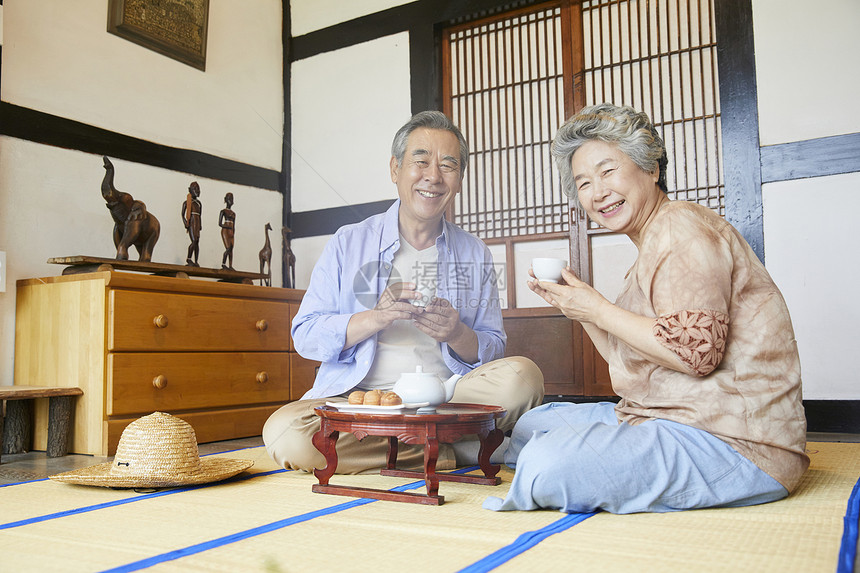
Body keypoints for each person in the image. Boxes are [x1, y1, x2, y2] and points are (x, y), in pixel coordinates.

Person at [483, 103, 809, 514]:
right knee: (534, 424)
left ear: (651, 168)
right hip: (664, 417)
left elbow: (695, 355)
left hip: (734, 441)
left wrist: (598, 308)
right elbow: (635, 359)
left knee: (547, 463)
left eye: (607, 171)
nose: (597, 192)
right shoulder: (651, 244)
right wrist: (582, 312)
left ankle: (472, 451)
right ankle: (473, 446)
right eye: (583, 183)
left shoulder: (680, 227)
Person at [263, 111, 544, 474]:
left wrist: (457, 333)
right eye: (421, 161)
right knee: (285, 434)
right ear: (395, 169)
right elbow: (305, 336)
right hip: (360, 402)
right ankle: (455, 452)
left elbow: (493, 346)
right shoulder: (348, 242)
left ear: (459, 180)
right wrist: (374, 318)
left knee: (524, 377)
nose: (434, 176)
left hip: (445, 399)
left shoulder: (474, 252)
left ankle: (420, 446)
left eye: (448, 165)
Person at [182, 181, 202, 266]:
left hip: (197, 222)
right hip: (192, 222)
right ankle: (189, 258)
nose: (198, 191)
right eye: (196, 189)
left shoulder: (199, 203)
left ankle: (196, 261)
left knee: (197, 242)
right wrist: (186, 222)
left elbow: (200, 215)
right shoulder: (187, 202)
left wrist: (200, 224)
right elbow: (182, 214)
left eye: (198, 189)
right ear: (191, 190)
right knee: (194, 241)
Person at [219, 192, 236, 270]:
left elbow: (234, 225)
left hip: (231, 231)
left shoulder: (233, 213)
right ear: (226, 200)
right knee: (228, 248)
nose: (231, 201)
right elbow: (220, 223)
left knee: (231, 249)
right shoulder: (223, 211)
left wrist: (233, 232)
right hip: (225, 230)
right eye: (229, 199)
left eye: (232, 199)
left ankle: (230, 265)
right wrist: (227, 227)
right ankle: (223, 264)